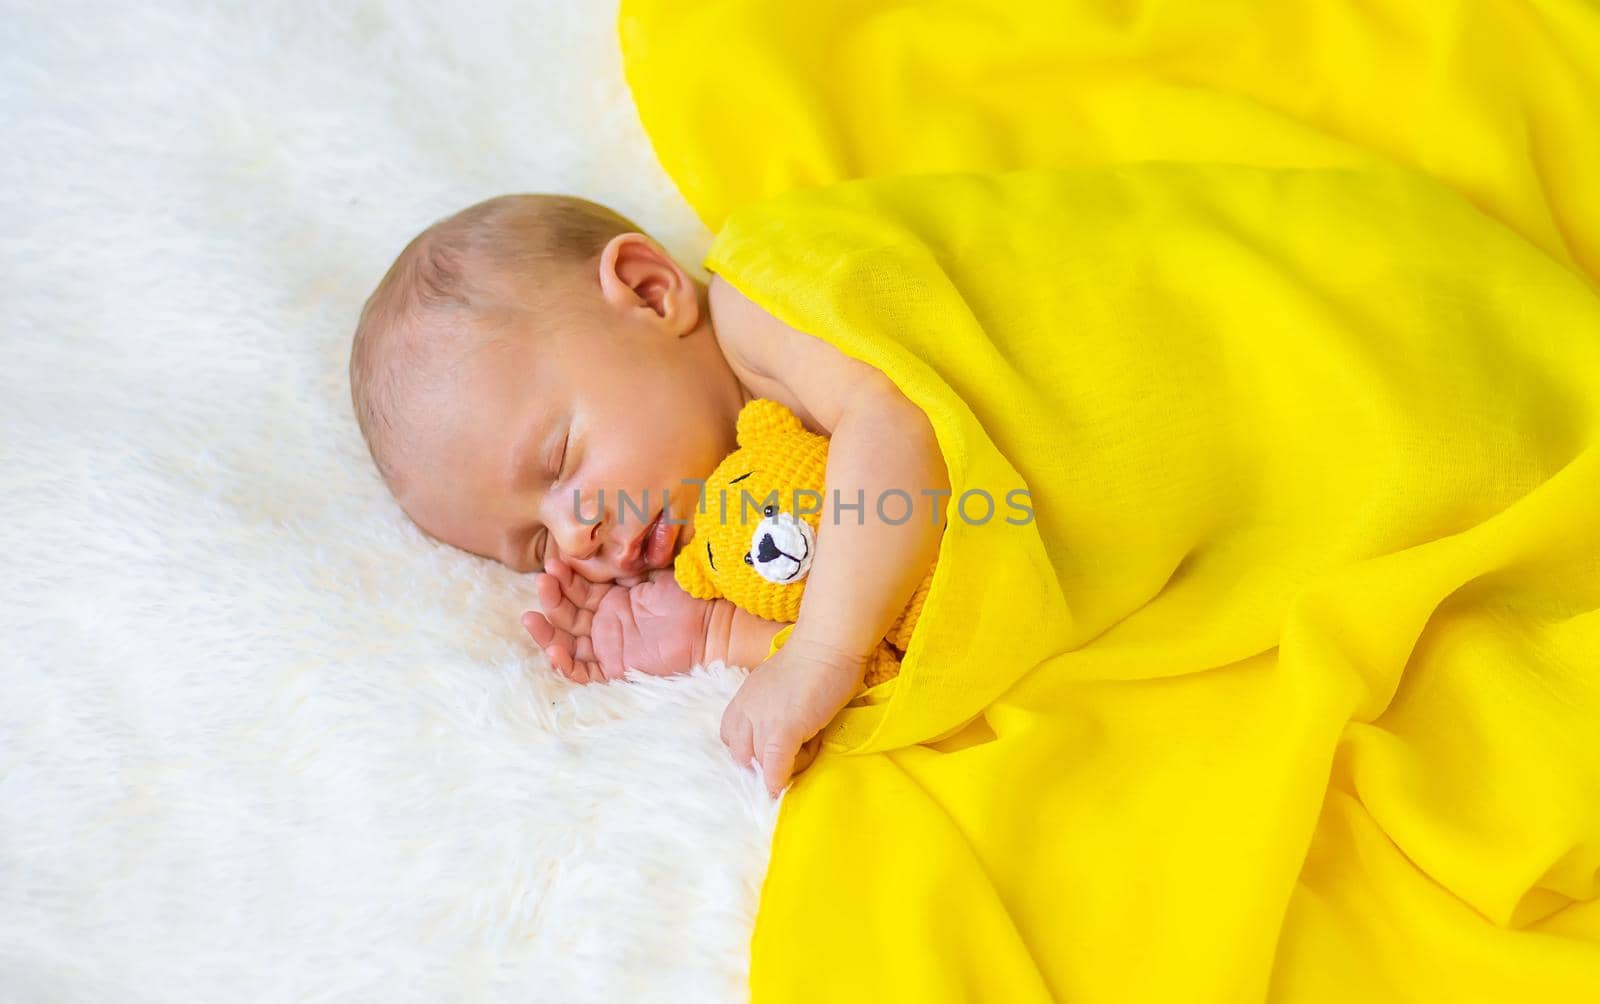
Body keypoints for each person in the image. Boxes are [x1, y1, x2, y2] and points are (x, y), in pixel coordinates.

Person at [348, 193, 947, 796]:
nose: (573, 534)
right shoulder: (734, 531)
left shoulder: (757, 306)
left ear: (649, 293)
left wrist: (819, 654)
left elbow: (897, 426)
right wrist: (719, 634)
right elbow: (919, 636)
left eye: (559, 461)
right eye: (537, 544)